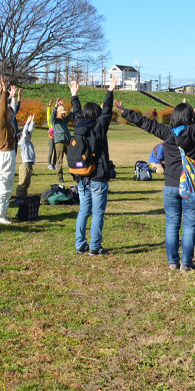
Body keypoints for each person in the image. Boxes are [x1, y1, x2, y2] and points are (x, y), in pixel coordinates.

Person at [116, 97, 195, 271]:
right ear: (190, 118)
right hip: (191, 187)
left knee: (171, 224)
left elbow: (145, 123)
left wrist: (125, 112)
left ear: (174, 118)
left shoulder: (167, 133)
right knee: (190, 225)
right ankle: (186, 262)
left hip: (170, 187)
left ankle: (172, 262)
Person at [70, 77, 117, 256]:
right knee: (98, 213)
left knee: (83, 211)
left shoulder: (78, 127)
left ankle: (80, 244)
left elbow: (76, 113)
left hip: (81, 177)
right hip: (97, 177)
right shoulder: (98, 130)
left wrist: (74, 95)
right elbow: (106, 114)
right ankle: (95, 246)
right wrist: (110, 91)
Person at [0, 76, 16, 225]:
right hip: (5, 156)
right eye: (8, 111)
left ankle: (2, 213)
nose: (10, 113)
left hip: (6, 155)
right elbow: (1, 109)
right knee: (3, 186)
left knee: (7, 184)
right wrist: (4, 91)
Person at [51, 98, 74, 183]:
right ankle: (60, 176)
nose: (64, 115)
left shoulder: (65, 120)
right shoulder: (54, 121)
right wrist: (56, 106)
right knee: (59, 160)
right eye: (62, 114)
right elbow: (52, 115)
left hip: (67, 142)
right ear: (58, 112)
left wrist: (75, 104)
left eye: (64, 114)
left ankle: (74, 173)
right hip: (59, 143)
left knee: (71, 158)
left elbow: (71, 114)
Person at [14, 113, 36, 200]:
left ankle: (24, 196)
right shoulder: (23, 142)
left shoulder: (28, 141)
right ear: (21, 137)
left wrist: (33, 121)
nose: (29, 135)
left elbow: (29, 130)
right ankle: (18, 197)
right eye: (27, 134)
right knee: (22, 182)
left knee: (27, 183)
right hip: (24, 166)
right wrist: (27, 122)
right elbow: (25, 132)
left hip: (29, 165)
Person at [46, 99, 57, 170]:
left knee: (56, 151)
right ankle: (49, 164)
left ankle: (54, 164)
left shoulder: (57, 121)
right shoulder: (50, 121)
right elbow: (48, 114)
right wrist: (49, 105)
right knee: (51, 151)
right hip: (51, 138)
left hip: (57, 138)